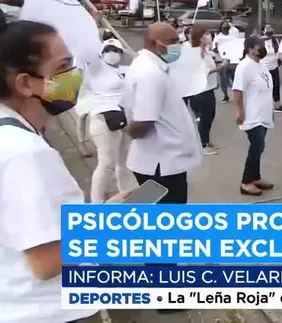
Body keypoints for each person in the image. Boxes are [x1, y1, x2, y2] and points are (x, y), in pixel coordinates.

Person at [0, 20, 130, 323]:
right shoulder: (26, 153)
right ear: (24, 83)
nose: (75, 75)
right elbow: (47, 261)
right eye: (64, 66)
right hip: (51, 311)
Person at [122, 22, 202, 205]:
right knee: (169, 217)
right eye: (172, 41)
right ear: (152, 43)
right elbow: (143, 122)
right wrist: (128, 134)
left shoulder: (153, 67)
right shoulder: (150, 73)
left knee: (150, 209)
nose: (177, 46)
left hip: (162, 161)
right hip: (161, 164)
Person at [86, 38, 137, 203]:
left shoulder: (123, 70)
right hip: (103, 119)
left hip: (123, 119)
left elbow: (138, 62)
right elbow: (85, 51)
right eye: (108, 49)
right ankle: (96, 203)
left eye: (116, 50)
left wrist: (127, 51)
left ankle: (127, 193)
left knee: (125, 162)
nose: (112, 53)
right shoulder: (96, 68)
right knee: (106, 163)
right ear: (101, 53)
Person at [232, 35, 275, 196]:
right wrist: (240, 111)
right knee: (256, 146)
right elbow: (237, 90)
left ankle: (255, 177)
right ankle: (246, 182)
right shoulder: (245, 67)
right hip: (252, 115)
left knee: (260, 146)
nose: (262, 48)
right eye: (259, 46)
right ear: (250, 49)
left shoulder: (260, 65)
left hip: (262, 114)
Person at [188, 25, 226, 155]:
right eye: (206, 34)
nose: (209, 36)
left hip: (209, 88)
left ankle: (206, 140)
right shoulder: (196, 53)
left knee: (210, 116)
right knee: (204, 118)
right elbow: (203, 72)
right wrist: (219, 68)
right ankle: (202, 145)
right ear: (199, 37)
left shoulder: (207, 52)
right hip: (201, 91)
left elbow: (216, 61)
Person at [260, 24, 282, 113]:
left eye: (271, 28)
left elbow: (278, 52)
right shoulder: (260, 41)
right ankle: (263, 106)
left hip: (274, 67)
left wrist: (280, 60)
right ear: (263, 31)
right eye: (267, 28)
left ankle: (277, 105)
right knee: (265, 87)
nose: (269, 30)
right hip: (264, 68)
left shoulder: (274, 40)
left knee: (276, 86)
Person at [212, 20, 238, 102]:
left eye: (227, 25)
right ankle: (225, 95)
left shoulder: (233, 36)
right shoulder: (218, 37)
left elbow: (237, 46)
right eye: (224, 26)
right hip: (222, 60)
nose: (226, 27)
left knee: (235, 78)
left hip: (233, 60)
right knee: (224, 79)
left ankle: (237, 95)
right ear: (221, 28)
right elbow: (214, 49)